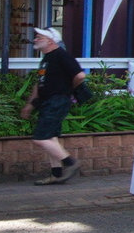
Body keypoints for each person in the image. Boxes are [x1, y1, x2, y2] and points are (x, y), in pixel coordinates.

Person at [23, 27, 86, 185]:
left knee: (40, 138)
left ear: (50, 40)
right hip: (48, 101)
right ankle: (57, 175)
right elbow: (40, 83)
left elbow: (80, 75)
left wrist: (68, 88)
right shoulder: (47, 58)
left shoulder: (60, 55)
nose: (35, 39)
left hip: (57, 101)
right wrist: (30, 104)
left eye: (39, 37)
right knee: (51, 138)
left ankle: (70, 163)